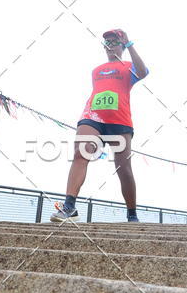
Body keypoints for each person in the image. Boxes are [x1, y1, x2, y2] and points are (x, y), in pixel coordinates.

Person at [51, 29, 148, 223]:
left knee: (123, 168)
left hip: (120, 120)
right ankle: (69, 207)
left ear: (121, 46)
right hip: (92, 116)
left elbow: (143, 72)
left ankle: (132, 214)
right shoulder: (96, 70)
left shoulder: (129, 66)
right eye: (107, 43)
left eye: (114, 42)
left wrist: (130, 44)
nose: (110, 46)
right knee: (81, 153)